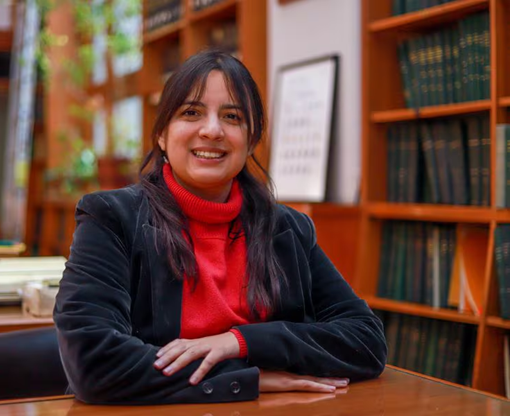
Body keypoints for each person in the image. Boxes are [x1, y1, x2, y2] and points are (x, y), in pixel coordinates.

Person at [53, 50, 387, 405]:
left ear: (251, 139)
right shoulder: (111, 218)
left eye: (232, 117)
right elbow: (93, 361)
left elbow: (365, 341)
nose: (212, 130)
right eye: (191, 113)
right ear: (162, 134)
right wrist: (247, 377)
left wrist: (239, 342)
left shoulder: (287, 229)